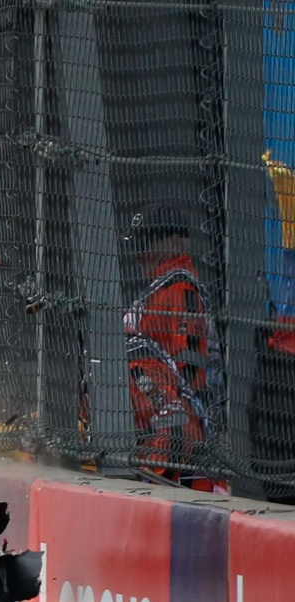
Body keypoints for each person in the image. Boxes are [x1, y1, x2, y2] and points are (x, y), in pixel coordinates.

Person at [120, 203, 223, 490]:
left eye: (147, 243)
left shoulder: (179, 287)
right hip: (168, 428)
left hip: (179, 436)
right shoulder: (163, 286)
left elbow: (188, 372)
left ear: (175, 241)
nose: (139, 254)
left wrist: (173, 424)